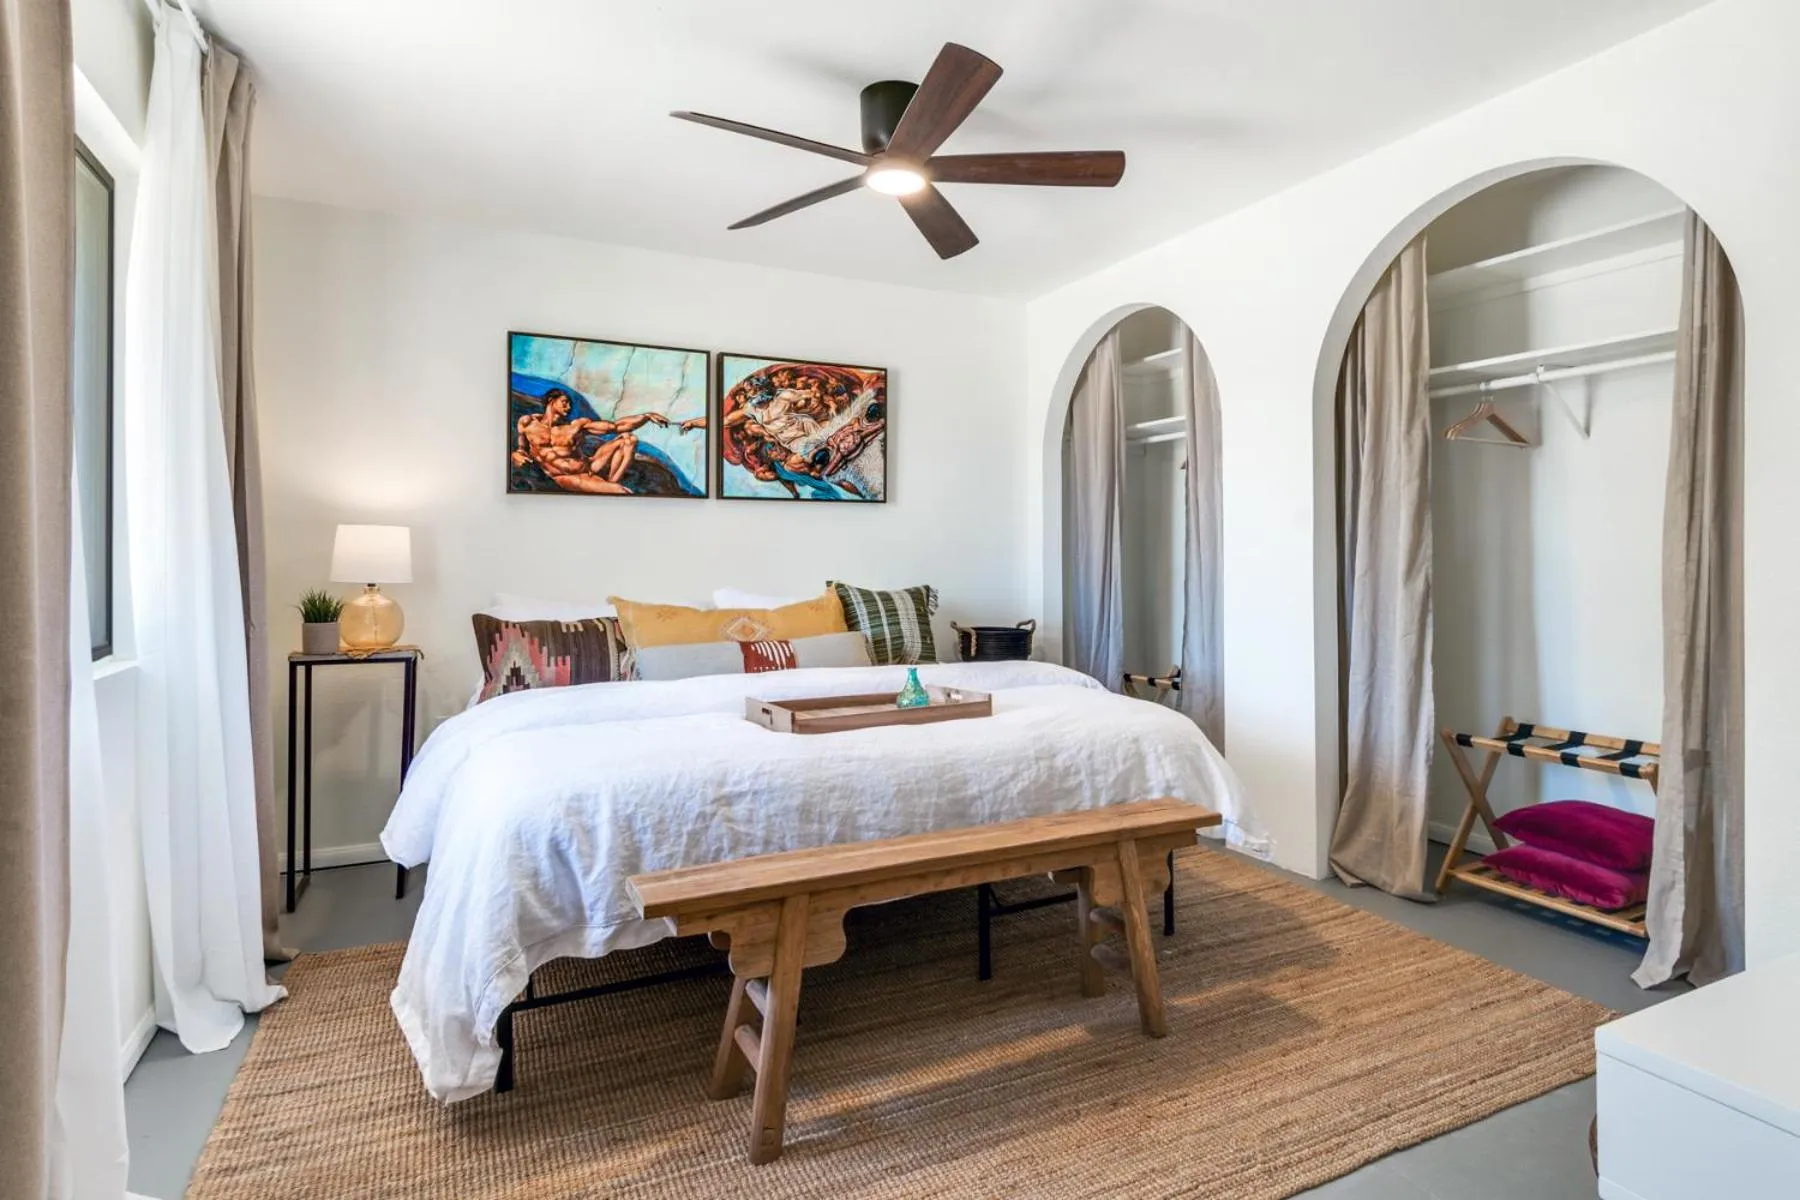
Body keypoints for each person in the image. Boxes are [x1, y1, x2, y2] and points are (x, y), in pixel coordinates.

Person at [512, 387, 678, 495]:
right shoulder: (527, 423)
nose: (568, 407)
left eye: (569, 403)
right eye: (564, 402)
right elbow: (521, 449)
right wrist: (517, 455)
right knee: (623, 492)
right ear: (551, 401)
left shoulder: (576, 426)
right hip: (565, 475)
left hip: (589, 466)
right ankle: (612, 488)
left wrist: (646, 417)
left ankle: (611, 483)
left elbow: (616, 427)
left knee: (629, 439)